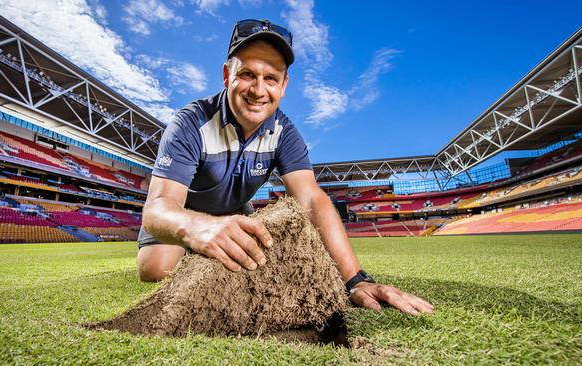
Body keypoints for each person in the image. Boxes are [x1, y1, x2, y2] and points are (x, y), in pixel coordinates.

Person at [137, 19, 433, 316]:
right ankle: (200, 245)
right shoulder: (190, 123)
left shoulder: (284, 132)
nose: (258, 89)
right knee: (156, 267)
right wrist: (197, 228)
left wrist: (355, 279)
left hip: (238, 216)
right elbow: (157, 208)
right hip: (186, 216)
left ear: (284, 85)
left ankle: (219, 246)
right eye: (247, 74)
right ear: (227, 75)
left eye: (271, 78)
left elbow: (311, 199)